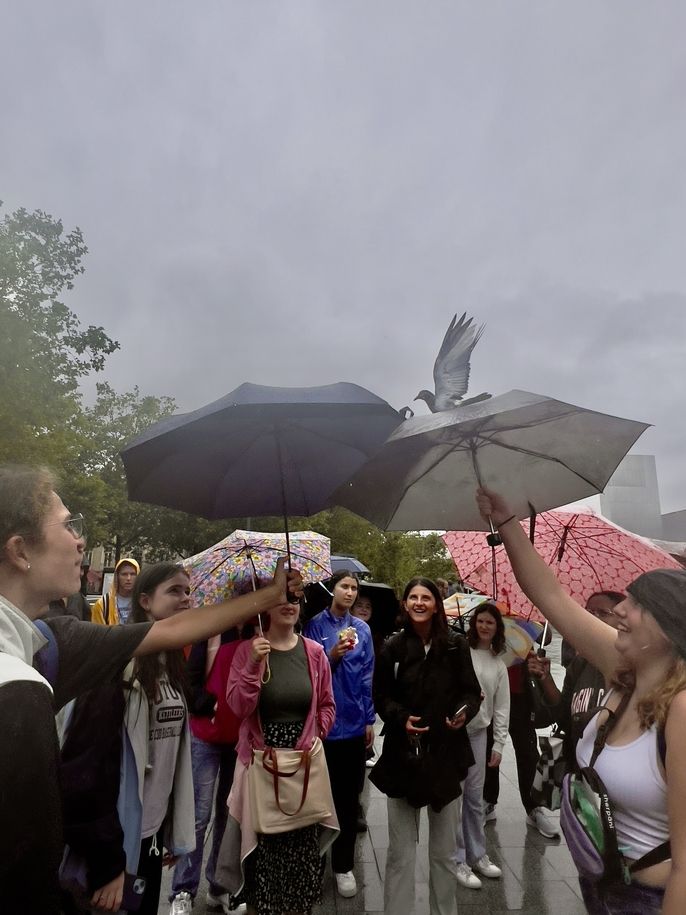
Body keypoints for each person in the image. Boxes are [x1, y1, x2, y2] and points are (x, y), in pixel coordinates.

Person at [0, 464, 304, 915]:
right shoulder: (15, 690)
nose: (81, 540)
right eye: (69, 525)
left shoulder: (53, 638)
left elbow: (174, 630)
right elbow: (25, 858)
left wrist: (270, 594)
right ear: (20, 551)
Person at [476, 487, 686, 914]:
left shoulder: (681, 710)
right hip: (598, 890)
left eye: (635, 604)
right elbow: (551, 597)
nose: (619, 612)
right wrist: (507, 523)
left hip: (648, 900)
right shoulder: (623, 671)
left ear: (666, 628)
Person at [59, 563, 198, 915]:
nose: (186, 599)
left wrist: (171, 831)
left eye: (188, 591)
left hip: (150, 836)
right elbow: (86, 771)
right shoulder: (118, 669)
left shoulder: (173, 666)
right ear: (145, 601)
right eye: (175, 591)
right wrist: (108, 864)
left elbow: (172, 758)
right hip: (116, 841)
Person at [216, 597, 338, 915]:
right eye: (281, 599)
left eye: (295, 599)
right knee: (263, 860)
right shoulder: (249, 650)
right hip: (261, 767)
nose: (290, 605)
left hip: (303, 766)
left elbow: (327, 704)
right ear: (265, 605)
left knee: (302, 859)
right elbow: (239, 707)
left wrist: (315, 733)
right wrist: (254, 664)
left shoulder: (313, 652)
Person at [370, 577, 482, 915]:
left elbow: (470, 691)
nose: (419, 602)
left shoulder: (455, 646)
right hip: (403, 757)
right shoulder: (392, 648)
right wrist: (400, 717)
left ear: (437, 604)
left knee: (444, 852)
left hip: (445, 756)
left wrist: (464, 713)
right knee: (400, 853)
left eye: (426, 597)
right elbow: (380, 697)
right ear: (405, 605)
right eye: (413, 597)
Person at [169, 620, 252, 915]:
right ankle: (182, 890)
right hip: (206, 735)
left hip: (241, 739)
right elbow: (187, 681)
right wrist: (211, 706)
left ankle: (219, 886)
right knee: (198, 815)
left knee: (230, 817)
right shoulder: (212, 630)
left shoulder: (260, 631)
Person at [304, 571, 375, 898]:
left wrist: (369, 719)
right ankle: (314, 866)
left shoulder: (363, 630)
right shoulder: (315, 626)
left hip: (353, 724)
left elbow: (366, 675)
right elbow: (309, 673)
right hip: (322, 727)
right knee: (318, 801)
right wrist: (332, 656)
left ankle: (343, 865)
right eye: (344, 586)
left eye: (354, 588)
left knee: (348, 800)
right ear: (333, 589)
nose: (349, 592)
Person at [527, 590, 624, 769]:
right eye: (588, 612)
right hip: (576, 775)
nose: (592, 618)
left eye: (603, 613)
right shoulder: (580, 664)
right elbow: (564, 716)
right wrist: (546, 679)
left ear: (623, 621)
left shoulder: (631, 672)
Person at [455, 601, 510, 890]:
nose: (484, 626)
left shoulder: (498, 665)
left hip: (478, 736)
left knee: (475, 799)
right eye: (480, 621)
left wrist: (498, 743)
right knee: (456, 796)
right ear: (473, 624)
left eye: (490, 622)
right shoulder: (460, 654)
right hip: (455, 734)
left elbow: (502, 708)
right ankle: (458, 859)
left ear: (497, 628)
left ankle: (478, 854)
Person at [91, 557, 140, 625]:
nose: (128, 578)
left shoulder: (144, 603)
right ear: (117, 577)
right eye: (124, 574)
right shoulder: (102, 605)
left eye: (132, 574)